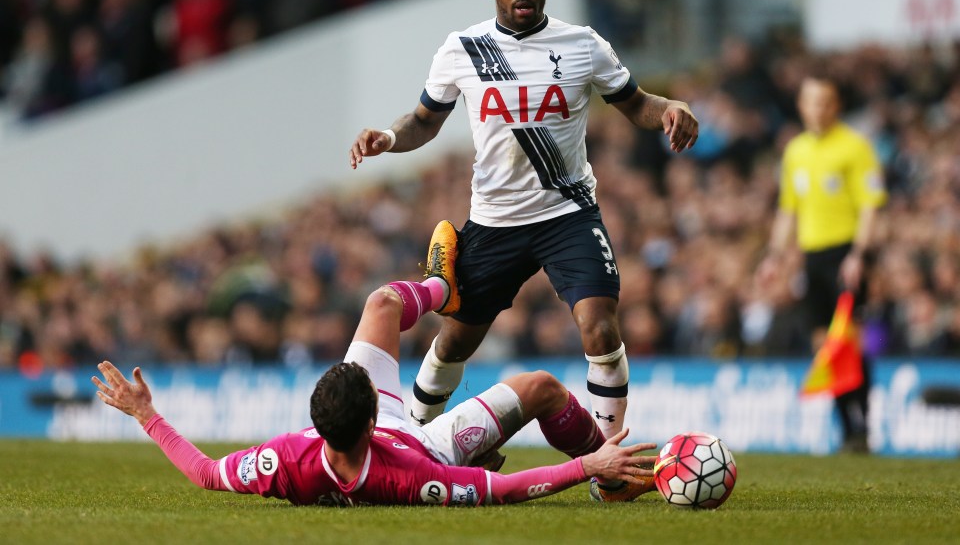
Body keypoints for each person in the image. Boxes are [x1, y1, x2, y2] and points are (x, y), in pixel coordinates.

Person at [348, 0, 697, 501]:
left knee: (600, 324)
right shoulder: (463, 49)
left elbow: (636, 103)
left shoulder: (582, 45)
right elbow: (424, 121)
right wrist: (387, 137)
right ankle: (407, 439)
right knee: (454, 344)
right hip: (493, 223)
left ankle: (610, 470)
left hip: (567, 213)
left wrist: (670, 109)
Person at [91, 229, 657, 507]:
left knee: (382, 303)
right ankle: (612, 477)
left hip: (374, 425)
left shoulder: (286, 458)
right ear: (366, 420)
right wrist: (587, 467)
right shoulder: (414, 477)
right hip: (423, 441)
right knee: (541, 388)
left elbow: (206, 472)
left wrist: (147, 416)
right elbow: (507, 488)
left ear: (314, 422)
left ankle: (442, 284)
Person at [757, 75, 887, 454]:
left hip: (847, 252)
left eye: (826, 101)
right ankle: (847, 429)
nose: (819, 108)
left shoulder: (855, 146)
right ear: (801, 105)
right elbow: (788, 210)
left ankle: (864, 425)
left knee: (850, 340)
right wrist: (773, 257)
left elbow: (869, 205)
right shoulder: (796, 150)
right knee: (822, 344)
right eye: (812, 101)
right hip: (812, 257)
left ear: (837, 105)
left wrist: (859, 254)